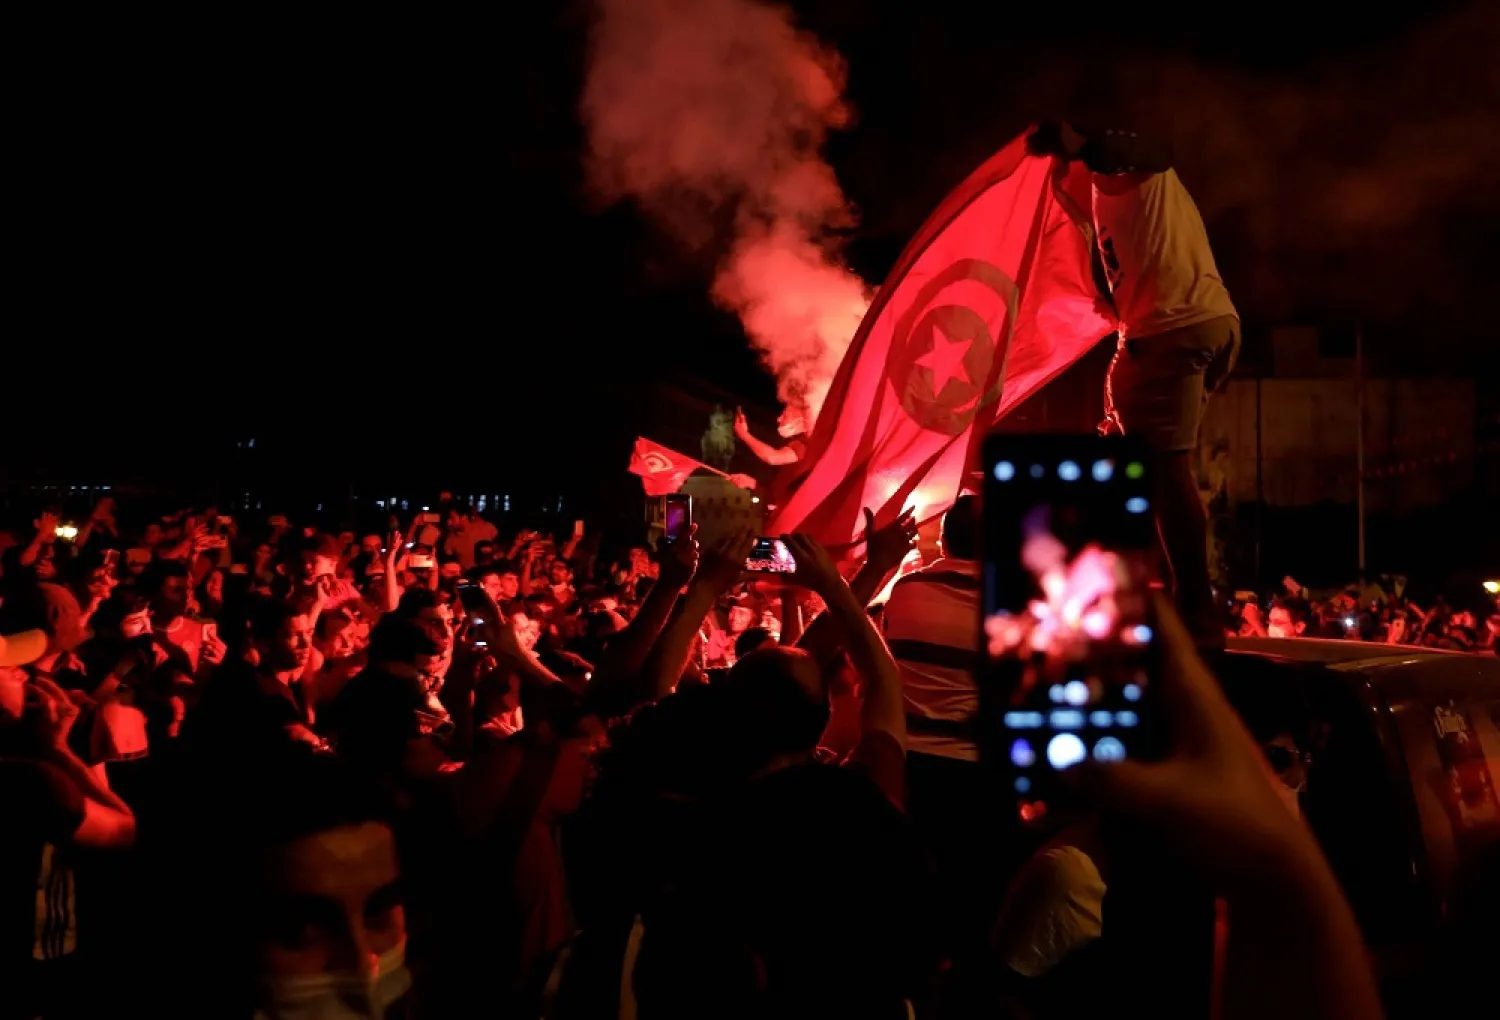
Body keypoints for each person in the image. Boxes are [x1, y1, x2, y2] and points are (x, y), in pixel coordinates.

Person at [1030, 122, 1240, 646]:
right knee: (1143, 456)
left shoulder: (1135, 171)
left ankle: (1194, 606)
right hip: (1192, 324)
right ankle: (1165, 589)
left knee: (1167, 471)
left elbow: (1148, 146)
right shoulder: (1113, 206)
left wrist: (1080, 145)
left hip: (1172, 329)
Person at [733, 402, 810, 467]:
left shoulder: (804, 443)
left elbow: (773, 458)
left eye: (785, 416)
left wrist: (743, 434)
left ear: (801, 420)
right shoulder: (799, 441)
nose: (779, 419)